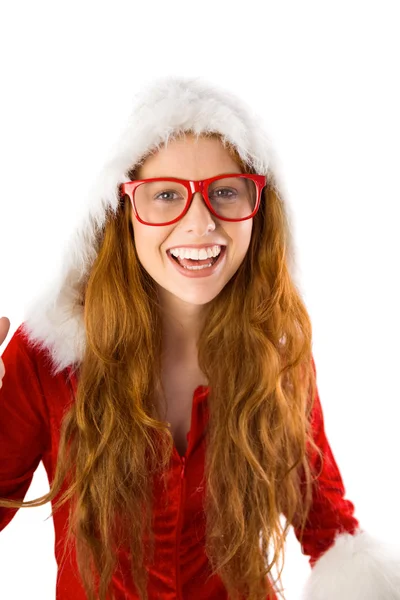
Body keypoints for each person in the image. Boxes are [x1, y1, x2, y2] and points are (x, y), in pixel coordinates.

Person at [0, 76, 399, 600]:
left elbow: (328, 529)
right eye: (166, 195)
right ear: (124, 214)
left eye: (225, 192)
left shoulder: (275, 354)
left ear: (259, 209)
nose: (200, 223)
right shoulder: (48, 357)